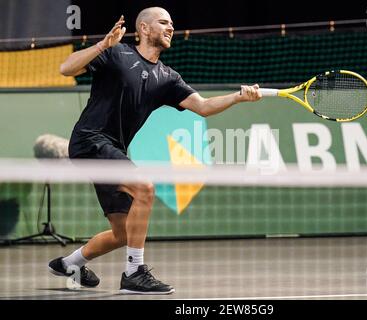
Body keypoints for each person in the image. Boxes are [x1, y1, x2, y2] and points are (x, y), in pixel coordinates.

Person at [48, 7, 261, 294]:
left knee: (124, 233)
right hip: (90, 139)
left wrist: (239, 97)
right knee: (145, 188)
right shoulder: (116, 53)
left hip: (114, 149)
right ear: (145, 28)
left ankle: (69, 263)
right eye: (163, 22)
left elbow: (203, 107)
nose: (170, 27)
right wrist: (102, 44)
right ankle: (134, 272)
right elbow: (66, 68)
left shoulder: (168, 78)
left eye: (172, 23)